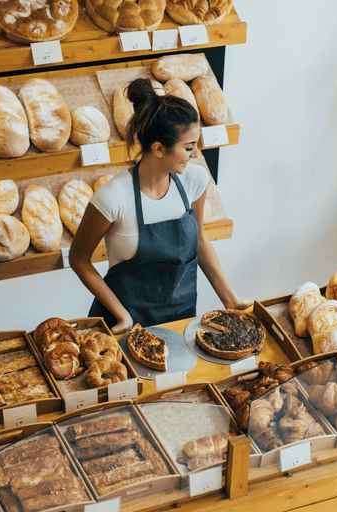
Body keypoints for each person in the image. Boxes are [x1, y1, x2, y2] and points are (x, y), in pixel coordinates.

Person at [69, 78, 250, 335]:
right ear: (158, 148)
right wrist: (122, 315)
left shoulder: (194, 181)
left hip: (180, 321)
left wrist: (230, 299)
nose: (196, 154)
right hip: (123, 327)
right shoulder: (113, 197)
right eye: (188, 147)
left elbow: (199, 239)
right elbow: (78, 259)